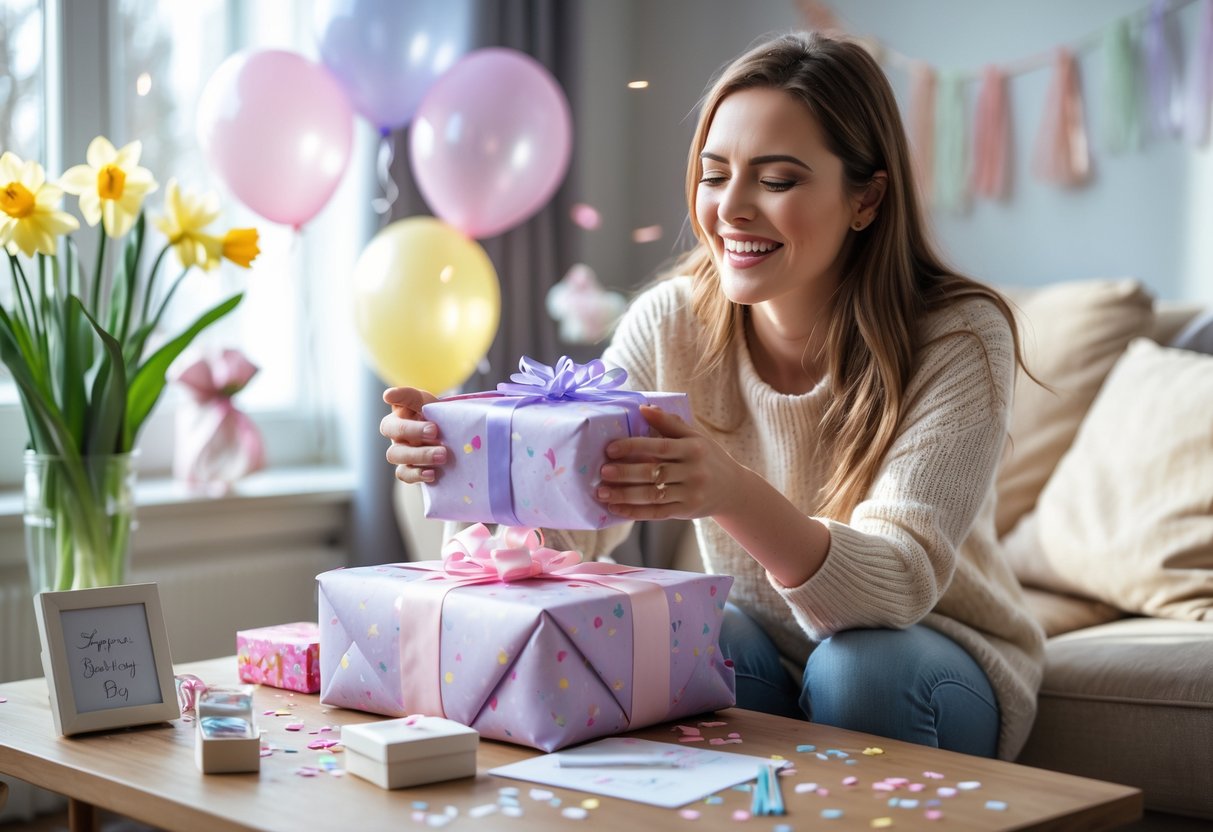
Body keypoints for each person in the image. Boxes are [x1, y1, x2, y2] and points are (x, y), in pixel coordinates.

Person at [381, 31, 1045, 762]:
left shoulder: (958, 337)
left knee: (857, 669)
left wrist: (727, 488)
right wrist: (472, 471)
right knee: (666, 631)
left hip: (929, 654)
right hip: (761, 640)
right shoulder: (669, 322)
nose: (730, 208)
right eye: (713, 174)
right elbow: (564, 529)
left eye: (778, 180)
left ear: (867, 199)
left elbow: (892, 591)